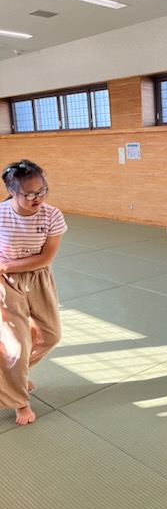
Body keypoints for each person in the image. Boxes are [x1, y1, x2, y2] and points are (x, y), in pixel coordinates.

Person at [0, 159, 67, 425]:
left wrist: (6, 265)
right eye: (29, 194)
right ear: (12, 191)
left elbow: (45, 258)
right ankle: (20, 402)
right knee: (17, 346)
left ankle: (14, 376)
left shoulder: (52, 215)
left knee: (51, 335)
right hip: (5, 283)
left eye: (42, 191)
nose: (37, 197)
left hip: (39, 278)